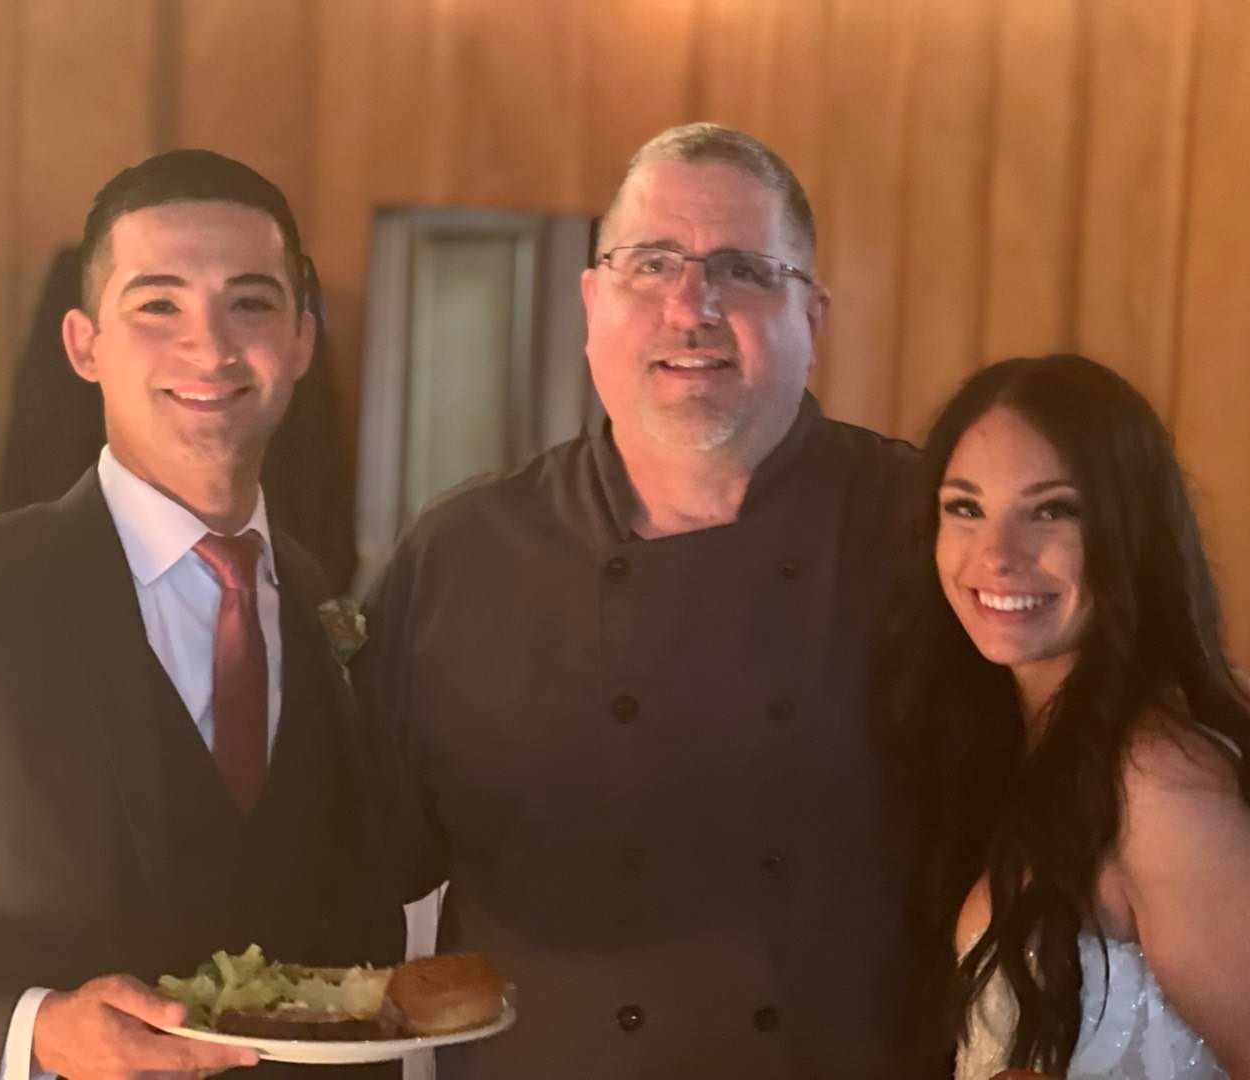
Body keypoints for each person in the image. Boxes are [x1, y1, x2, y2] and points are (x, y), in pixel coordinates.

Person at [353, 123, 940, 1079]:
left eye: (743, 269)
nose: (691, 305)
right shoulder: (462, 554)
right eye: (650, 264)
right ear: (591, 302)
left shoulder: (932, 535)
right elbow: (356, 867)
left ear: (814, 317)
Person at [0, 150, 405, 1078]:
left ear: (300, 341)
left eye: (250, 303)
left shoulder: (315, 590)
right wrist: (35, 1031)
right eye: (158, 306)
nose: (209, 349)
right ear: (85, 344)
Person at [882, 354, 1250, 1078]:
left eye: (1052, 510)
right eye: (965, 507)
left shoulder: (1156, 778)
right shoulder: (1007, 736)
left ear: (1128, 531)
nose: (996, 555)